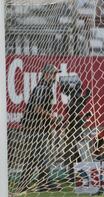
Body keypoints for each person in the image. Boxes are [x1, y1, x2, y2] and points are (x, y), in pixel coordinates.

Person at [18, 64, 60, 192]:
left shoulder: (45, 87)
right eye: (53, 74)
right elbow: (37, 108)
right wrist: (52, 117)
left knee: (32, 158)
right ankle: (45, 183)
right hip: (34, 128)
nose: (55, 77)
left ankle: (23, 184)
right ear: (47, 74)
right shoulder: (42, 88)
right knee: (42, 156)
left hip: (36, 128)